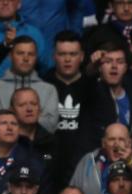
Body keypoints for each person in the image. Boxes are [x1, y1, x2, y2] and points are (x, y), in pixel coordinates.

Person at [77, 41, 132, 157]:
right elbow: (85, 82)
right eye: (108, 62)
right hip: (97, 163)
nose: (114, 66)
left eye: (120, 62)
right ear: (99, 67)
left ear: (126, 67)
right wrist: (92, 67)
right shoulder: (91, 93)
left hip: (128, 165)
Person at [0, 36, 59, 133]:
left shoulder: (49, 89)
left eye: (31, 54)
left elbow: (50, 125)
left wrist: (11, 122)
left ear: (36, 57)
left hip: (40, 146)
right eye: (20, 53)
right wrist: (35, 120)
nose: (26, 58)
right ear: (10, 55)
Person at [45, 31, 90, 184]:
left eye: (73, 54)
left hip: (84, 162)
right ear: (54, 56)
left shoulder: (94, 87)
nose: (68, 59)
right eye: (62, 54)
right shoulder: (43, 85)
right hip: (48, 162)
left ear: (82, 56)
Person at [69, 122, 132, 194]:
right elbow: (72, 190)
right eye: (112, 139)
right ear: (104, 143)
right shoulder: (89, 160)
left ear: (129, 143)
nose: (116, 144)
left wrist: (131, 162)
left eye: (121, 139)